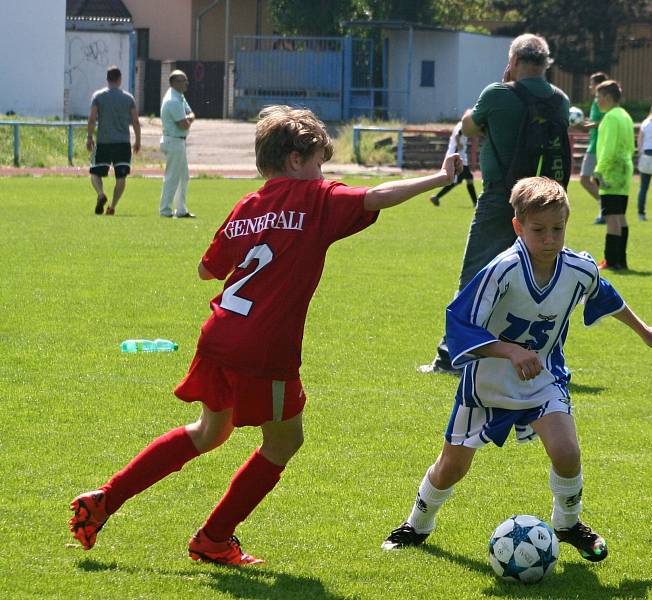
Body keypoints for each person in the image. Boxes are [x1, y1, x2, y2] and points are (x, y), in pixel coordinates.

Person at [69, 105, 462, 565]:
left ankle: (103, 500)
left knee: (208, 432)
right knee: (283, 442)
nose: (323, 172)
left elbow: (205, 270)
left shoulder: (248, 205)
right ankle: (213, 538)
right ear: (296, 159)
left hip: (219, 335)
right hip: (263, 348)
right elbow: (377, 195)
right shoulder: (317, 198)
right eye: (319, 161)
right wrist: (437, 178)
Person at [381, 177, 652, 563]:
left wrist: (644, 332)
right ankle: (416, 526)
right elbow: (459, 323)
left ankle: (568, 523)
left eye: (558, 229)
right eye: (538, 230)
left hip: (543, 380)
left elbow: (605, 294)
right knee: (451, 468)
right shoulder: (502, 270)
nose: (550, 238)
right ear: (518, 227)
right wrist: (510, 351)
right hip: (486, 386)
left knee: (567, 451)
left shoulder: (578, 268)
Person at [419, 33, 570, 375]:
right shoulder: (559, 100)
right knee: (534, 280)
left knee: (475, 276)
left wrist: (503, 85)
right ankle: (532, 351)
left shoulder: (498, 94)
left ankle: (452, 357)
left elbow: (469, 126)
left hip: (500, 199)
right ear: (546, 65)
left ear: (514, 61)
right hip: (544, 205)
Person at [86, 66, 141, 216]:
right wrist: (138, 140)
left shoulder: (98, 96)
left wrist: (89, 137)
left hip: (104, 141)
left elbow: (92, 118)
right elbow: (135, 121)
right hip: (123, 142)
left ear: (107, 78)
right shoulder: (128, 98)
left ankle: (100, 194)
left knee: (95, 172)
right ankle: (112, 206)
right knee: (121, 177)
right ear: (120, 79)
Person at [593, 80, 634, 271]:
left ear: (608, 97)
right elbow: (632, 146)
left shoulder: (610, 118)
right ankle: (621, 260)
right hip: (624, 171)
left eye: (598, 96)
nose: (596, 101)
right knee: (620, 215)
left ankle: (611, 260)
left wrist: (599, 171)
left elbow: (608, 148)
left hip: (611, 173)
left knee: (611, 217)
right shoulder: (625, 116)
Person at [159, 70, 196, 218]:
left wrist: (189, 118)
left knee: (183, 176)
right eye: (183, 80)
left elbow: (190, 114)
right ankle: (165, 209)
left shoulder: (179, 96)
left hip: (178, 141)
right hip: (173, 141)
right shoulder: (172, 100)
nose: (186, 83)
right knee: (172, 177)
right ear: (174, 82)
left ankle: (181, 209)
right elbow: (184, 124)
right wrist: (189, 118)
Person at [577, 71, 608, 224]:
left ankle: (604, 207)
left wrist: (582, 124)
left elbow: (602, 121)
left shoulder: (600, 101)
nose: (590, 86)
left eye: (592, 83)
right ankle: (605, 211)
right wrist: (585, 122)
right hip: (595, 144)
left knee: (584, 179)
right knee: (597, 181)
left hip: (596, 147)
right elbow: (596, 121)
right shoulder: (597, 101)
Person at [430, 122, 478, 207]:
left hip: (459, 156)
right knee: (459, 180)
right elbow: (457, 135)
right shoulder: (463, 125)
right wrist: (459, 145)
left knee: (466, 178)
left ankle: (475, 203)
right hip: (457, 156)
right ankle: (436, 197)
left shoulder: (462, 124)